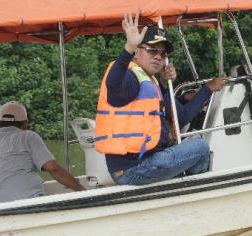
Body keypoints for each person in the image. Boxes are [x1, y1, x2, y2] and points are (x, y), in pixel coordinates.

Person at [95, 12, 229, 185]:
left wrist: (165, 85)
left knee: (186, 147)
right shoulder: (129, 76)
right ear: (137, 52)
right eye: (152, 51)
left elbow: (167, 112)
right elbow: (114, 85)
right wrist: (208, 88)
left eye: (163, 54)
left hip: (138, 165)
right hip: (135, 169)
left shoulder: (149, 80)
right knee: (200, 147)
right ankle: (193, 191)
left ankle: (183, 185)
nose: (158, 56)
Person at [0, 101, 85, 204]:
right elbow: (53, 168)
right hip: (28, 203)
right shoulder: (28, 137)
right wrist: (82, 190)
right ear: (25, 124)